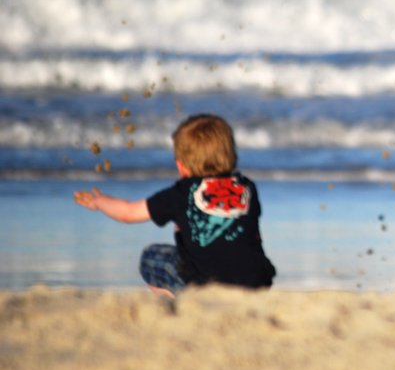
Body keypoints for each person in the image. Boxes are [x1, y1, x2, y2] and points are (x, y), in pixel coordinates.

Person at [75, 114, 276, 297]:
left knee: (151, 257)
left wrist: (99, 202)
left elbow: (127, 213)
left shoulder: (182, 193)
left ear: (181, 166)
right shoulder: (247, 188)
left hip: (205, 288)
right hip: (256, 284)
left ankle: (176, 302)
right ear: (232, 156)